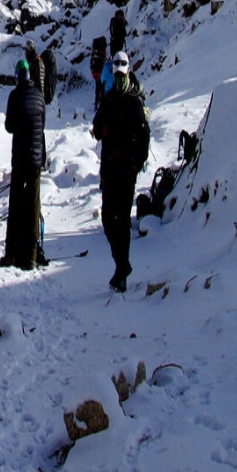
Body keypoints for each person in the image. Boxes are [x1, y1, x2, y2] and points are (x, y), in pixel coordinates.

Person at [93, 51, 150, 292]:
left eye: (120, 71)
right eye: (115, 71)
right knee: (109, 218)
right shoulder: (108, 99)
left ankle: (121, 271)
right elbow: (96, 128)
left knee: (122, 220)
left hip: (125, 170)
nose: (117, 75)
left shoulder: (134, 102)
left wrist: (136, 163)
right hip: (111, 168)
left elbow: (144, 135)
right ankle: (122, 264)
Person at [1, 60, 46, 270]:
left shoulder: (15, 95)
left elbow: (9, 126)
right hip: (36, 159)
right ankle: (31, 256)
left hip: (20, 157)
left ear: (17, 77)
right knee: (33, 205)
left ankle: (11, 253)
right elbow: (42, 125)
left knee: (16, 204)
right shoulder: (39, 95)